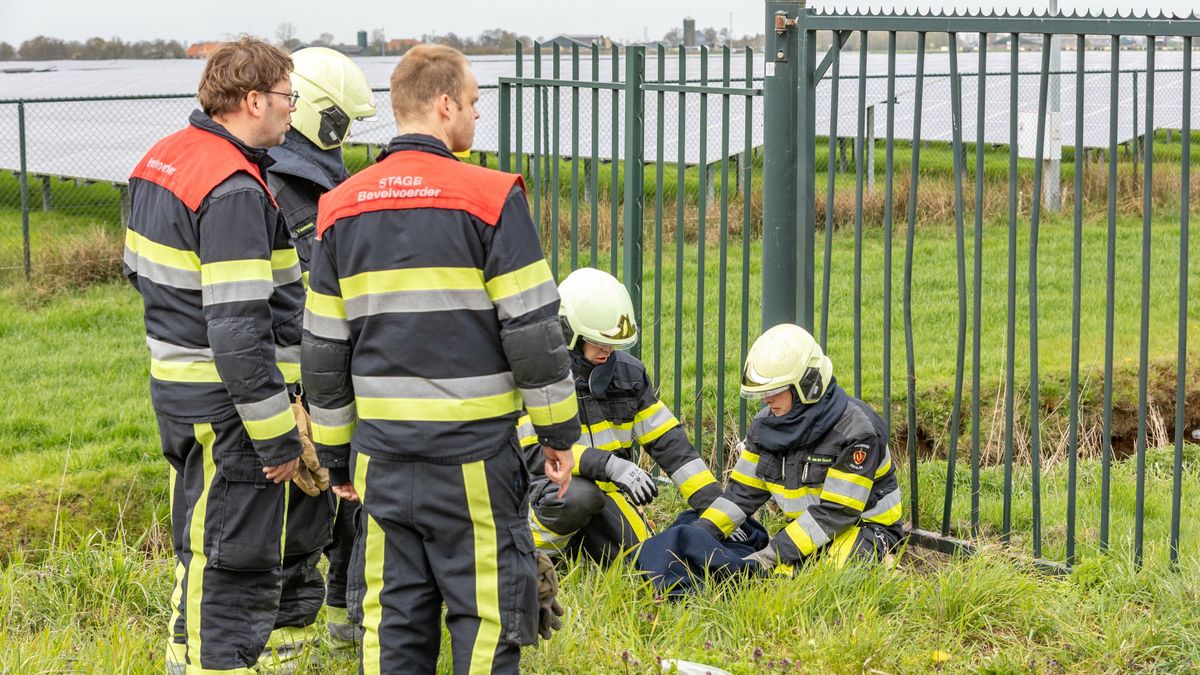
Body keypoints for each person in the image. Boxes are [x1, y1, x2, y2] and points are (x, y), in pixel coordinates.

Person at [301, 44, 578, 673]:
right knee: (485, 625)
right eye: (475, 103)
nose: (478, 117)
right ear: (445, 103)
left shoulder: (339, 206)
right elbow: (533, 331)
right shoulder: (490, 197)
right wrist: (559, 433)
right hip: (474, 459)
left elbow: (322, 352)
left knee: (393, 626)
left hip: (380, 460)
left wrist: (340, 456)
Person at [123, 37, 304, 673]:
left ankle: (184, 657)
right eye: (286, 96)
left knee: (200, 541)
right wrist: (278, 435)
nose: (292, 109)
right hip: (231, 406)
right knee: (233, 556)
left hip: (177, 386)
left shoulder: (162, 158)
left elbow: (140, 274)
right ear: (252, 99)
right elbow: (238, 332)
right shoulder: (233, 189)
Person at [263, 46, 377, 660]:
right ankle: (285, 645)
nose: (345, 137)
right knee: (303, 516)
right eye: (341, 123)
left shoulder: (315, 180)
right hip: (294, 384)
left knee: (348, 505)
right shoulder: (282, 186)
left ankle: (343, 628)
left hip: (331, 375)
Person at [519, 267, 723, 563]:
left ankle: (578, 550)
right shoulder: (538, 376)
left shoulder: (629, 376)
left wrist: (716, 508)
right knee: (578, 498)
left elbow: (672, 446)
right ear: (569, 334)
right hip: (545, 491)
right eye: (598, 342)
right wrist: (609, 465)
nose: (608, 351)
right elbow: (534, 452)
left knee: (646, 562)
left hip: (607, 497)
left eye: (613, 343)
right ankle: (532, 557)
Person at [694, 323, 904, 572]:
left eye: (774, 390)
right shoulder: (766, 426)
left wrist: (770, 555)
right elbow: (741, 495)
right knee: (772, 572)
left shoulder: (857, 432)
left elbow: (836, 513)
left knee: (823, 574)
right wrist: (697, 537)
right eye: (763, 392)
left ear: (807, 385)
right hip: (808, 529)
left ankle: (883, 563)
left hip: (866, 529)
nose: (766, 399)